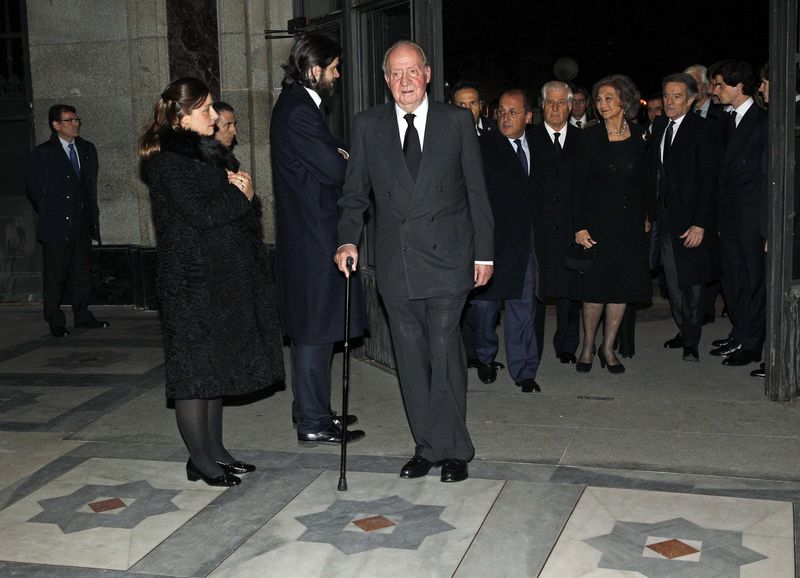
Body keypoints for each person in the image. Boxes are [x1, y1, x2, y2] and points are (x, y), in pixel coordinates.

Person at [335, 40, 494, 483]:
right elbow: (354, 195)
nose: (404, 81)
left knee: (443, 351)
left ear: (426, 74)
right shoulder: (368, 125)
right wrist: (347, 240)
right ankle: (426, 446)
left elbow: (477, 193)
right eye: (395, 74)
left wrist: (484, 253)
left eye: (412, 72)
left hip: (448, 258)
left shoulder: (456, 121)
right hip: (396, 262)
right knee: (410, 357)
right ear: (386, 81)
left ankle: (455, 449)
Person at [138, 77, 284, 486]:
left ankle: (215, 451)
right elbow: (201, 214)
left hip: (219, 280)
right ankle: (199, 460)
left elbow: (241, 211)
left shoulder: (210, 155)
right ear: (182, 117)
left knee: (214, 369)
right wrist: (241, 195)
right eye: (205, 110)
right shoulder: (167, 160)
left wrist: (247, 196)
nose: (215, 116)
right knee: (193, 375)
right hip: (190, 283)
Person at [271, 33, 365, 446]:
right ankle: (311, 420)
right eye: (334, 68)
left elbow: (333, 152)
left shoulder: (302, 107)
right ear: (314, 70)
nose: (338, 75)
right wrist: (344, 159)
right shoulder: (297, 112)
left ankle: (316, 410)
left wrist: (341, 153)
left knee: (321, 327)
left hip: (313, 233)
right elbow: (334, 169)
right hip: (313, 238)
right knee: (313, 330)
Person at [571, 74, 655, 374]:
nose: (602, 104)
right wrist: (579, 226)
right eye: (599, 99)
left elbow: (646, 182)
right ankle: (588, 345)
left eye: (609, 98)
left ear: (624, 101)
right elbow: (577, 186)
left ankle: (609, 347)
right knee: (595, 288)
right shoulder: (589, 138)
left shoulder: (640, 135)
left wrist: (647, 215)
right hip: (596, 225)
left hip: (629, 225)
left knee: (620, 288)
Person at [463, 89, 543, 393]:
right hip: (491, 244)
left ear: (528, 116)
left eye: (513, 112)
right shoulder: (482, 147)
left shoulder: (537, 146)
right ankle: (485, 356)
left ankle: (525, 371)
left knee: (523, 308)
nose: (506, 117)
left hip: (525, 244)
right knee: (485, 309)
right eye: (502, 112)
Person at [652, 73, 720, 362]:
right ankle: (683, 329)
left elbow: (709, 181)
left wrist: (701, 223)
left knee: (691, 283)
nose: (669, 101)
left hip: (691, 221)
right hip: (664, 219)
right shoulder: (658, 127)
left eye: (677, 96)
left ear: (691, 99)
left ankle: (691, 340)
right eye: (666, 95)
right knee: (672, 282)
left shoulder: (704, 129)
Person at [26, 104, 109, 338]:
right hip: (56, 225)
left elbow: (88, 186)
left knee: (81, 273)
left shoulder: (87, 149)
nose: (75, 124)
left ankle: (82, 315)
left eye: (76, 120)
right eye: (69, 120)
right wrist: (51, 211)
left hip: (82, 222)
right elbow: (33, 189)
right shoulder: (44, 153)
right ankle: (55, 321)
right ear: (56, 125)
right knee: (56, 276)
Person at [708, 60, 767, 367]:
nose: (715, 91)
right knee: (732, 279)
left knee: (753, 279)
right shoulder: (723, 119)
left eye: (721, 85)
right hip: (728, 216)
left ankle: (753, 342)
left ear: (739, 86)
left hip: (751, 215)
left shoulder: (762, 121)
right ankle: (740, 332)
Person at [530, 80, 582, 364]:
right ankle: (532, 346)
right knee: (536, 292)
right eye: (550, 102)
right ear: (542, 105)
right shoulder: (529, 138)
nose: (555, 108)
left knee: (569, 293)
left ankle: (567, 345)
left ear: (570, 106)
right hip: (539, 229)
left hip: (572, 228)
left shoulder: (583, 139)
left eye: (561, 102)